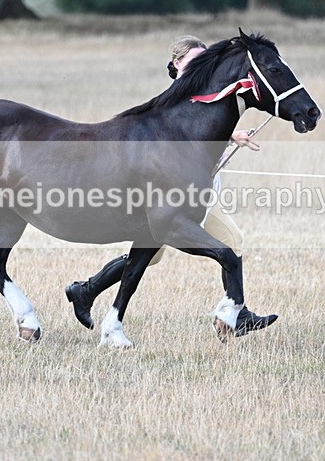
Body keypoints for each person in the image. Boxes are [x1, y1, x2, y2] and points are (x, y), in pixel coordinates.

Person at [65, 35, 261, 330]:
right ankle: (234, 314)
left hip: (198, 192)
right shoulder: (175, 99)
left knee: (156, 253)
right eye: (194, 60)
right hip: (173, 195)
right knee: (214, 245)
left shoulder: (205, 96)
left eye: (204, 59)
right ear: (177, 63)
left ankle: (86, 291)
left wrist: (233, 135)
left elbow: (202, 129)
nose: (201, 66)